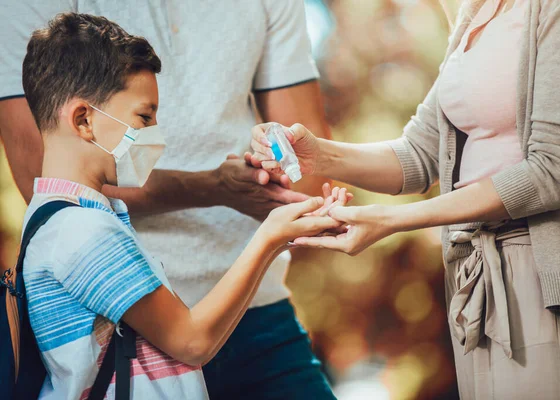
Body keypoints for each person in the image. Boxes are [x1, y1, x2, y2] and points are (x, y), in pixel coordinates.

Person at [250, 0, 560, 398]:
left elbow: (558, 169)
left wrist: (394, 220)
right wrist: (319, 155)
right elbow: (420, 154)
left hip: (541, 276)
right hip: (474, 282)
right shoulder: (475, 13)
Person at [0, 1, 336, 398]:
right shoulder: (85, 233)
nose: (155, 135)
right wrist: (270, 237)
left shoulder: (68, 219)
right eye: (145, 118)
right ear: (84, 120)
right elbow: (192, 342)